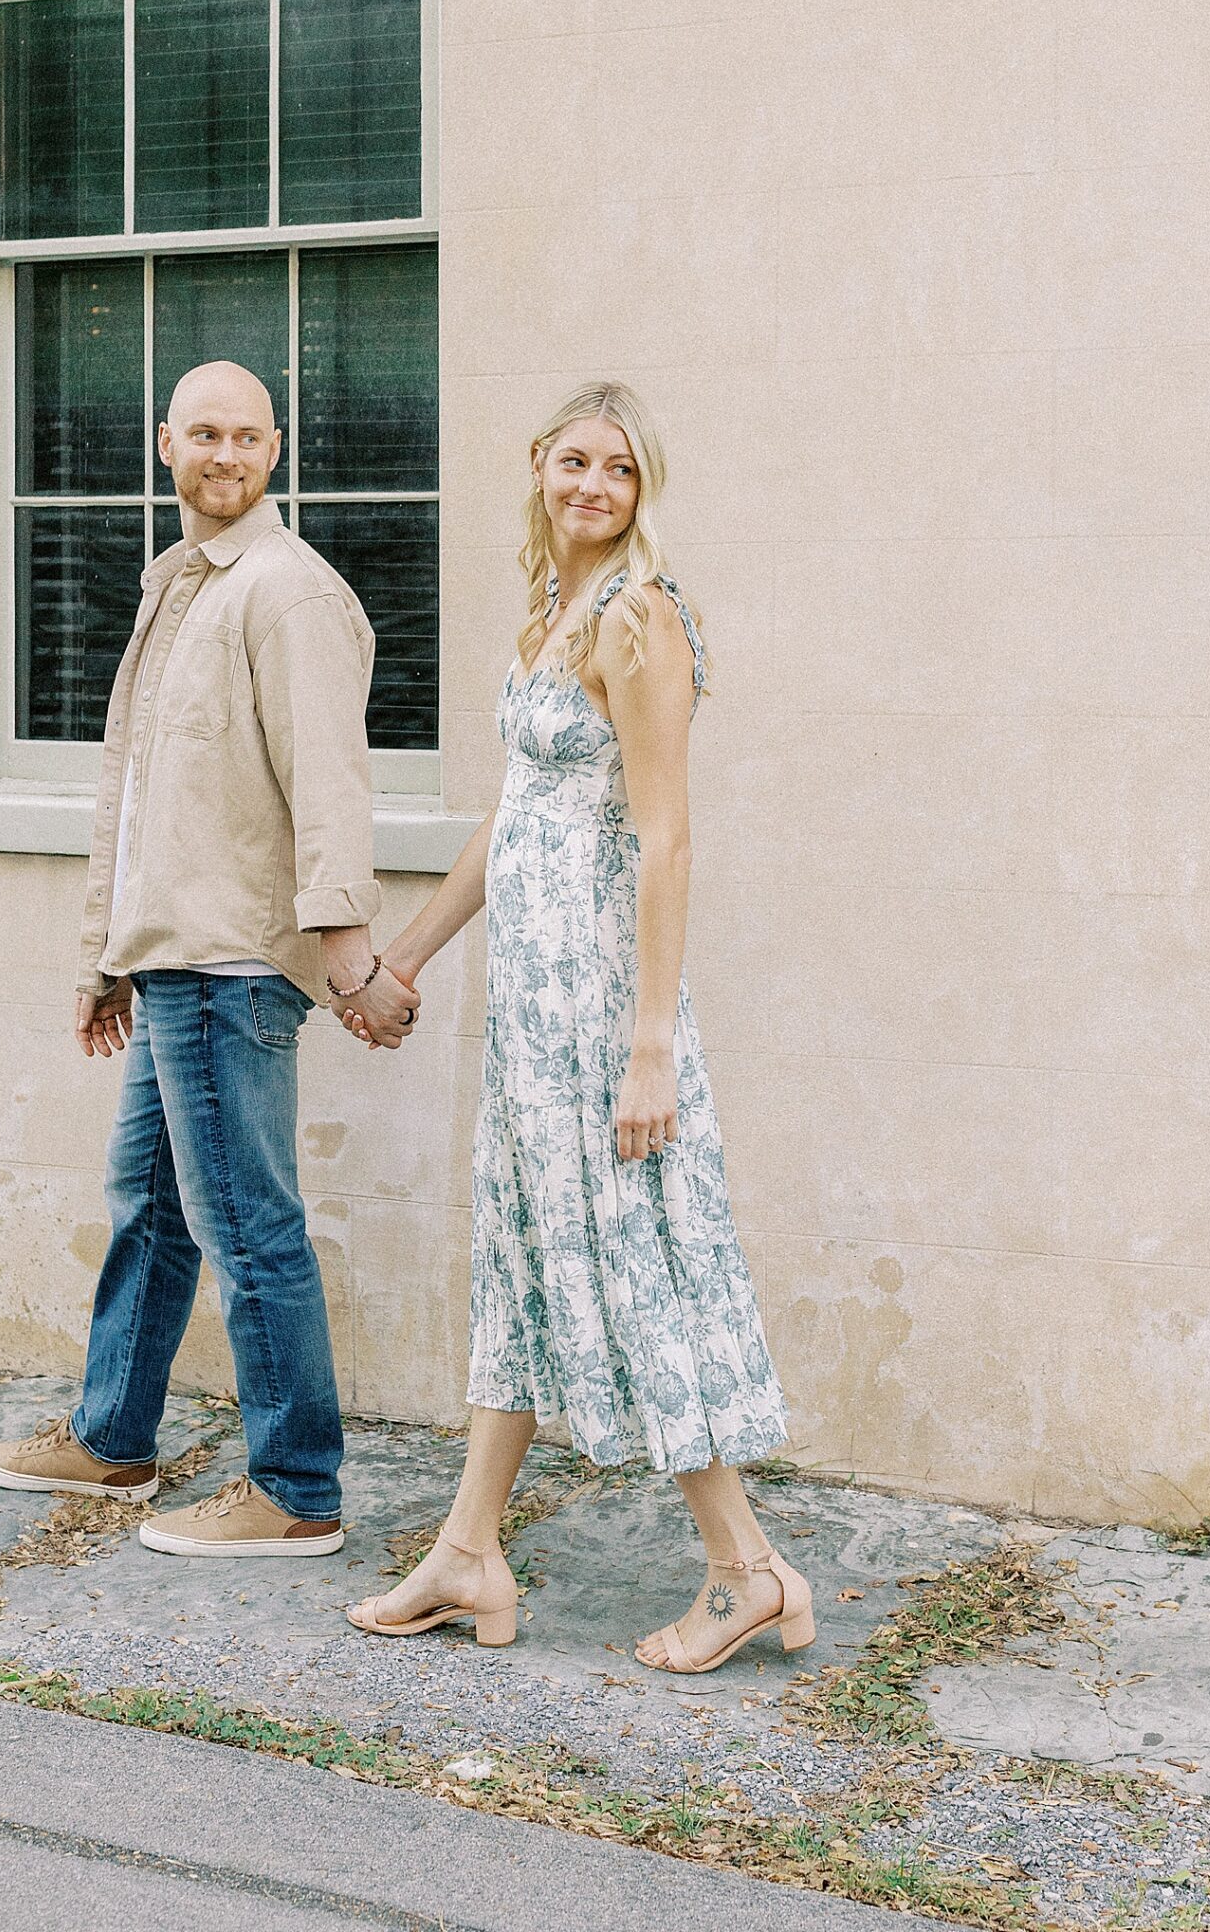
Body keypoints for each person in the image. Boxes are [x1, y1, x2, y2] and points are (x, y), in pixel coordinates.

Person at [341, 380, 812, 1672]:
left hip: (604, 1012)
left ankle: (741, 1568)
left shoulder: (633, 619)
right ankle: (467, 1550)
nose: (590, 486)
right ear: (537, 469)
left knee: (627, 1270)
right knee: (525, 1257)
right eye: (570, 462)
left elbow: (665, 843)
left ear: (640, 487)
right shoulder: (546, 617)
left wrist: (649, 1040)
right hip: (527, 1016)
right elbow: (515, 827)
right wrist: (406, 957)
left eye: (616, 469)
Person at [0, 361, 420, 1556]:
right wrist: (105, 953)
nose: (225, 453)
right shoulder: (181, 587)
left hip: (231, 968)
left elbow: (332, 789)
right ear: (164, 441)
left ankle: (294, 1491)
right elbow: (144, 799)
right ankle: (113, 1436)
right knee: (154, 1211)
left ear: (277, 450)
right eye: (204, 432)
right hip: (173, 955)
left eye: (248, 436)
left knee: (247, 1225)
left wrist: (347, 956)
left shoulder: (288, 596)